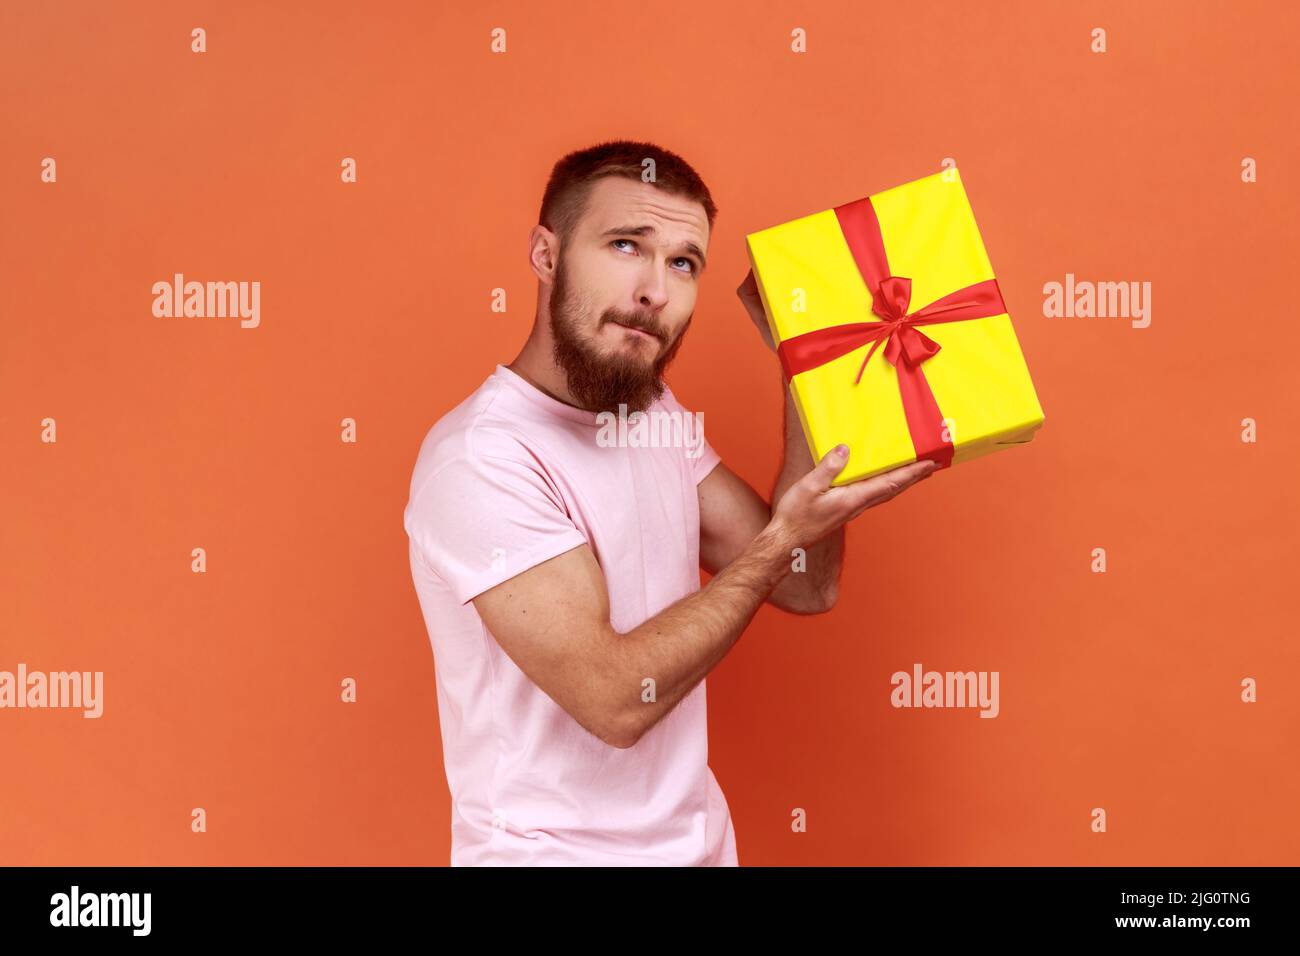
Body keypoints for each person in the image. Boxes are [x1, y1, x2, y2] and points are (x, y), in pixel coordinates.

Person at [403, 139, 938, 866]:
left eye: (683, 262)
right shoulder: (481, 459)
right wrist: (781, 541)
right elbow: (616, 701)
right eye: (627, 245)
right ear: (545, 254)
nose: (656, 290)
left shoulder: (651, 416)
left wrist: (804, 360)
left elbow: (808, 582)